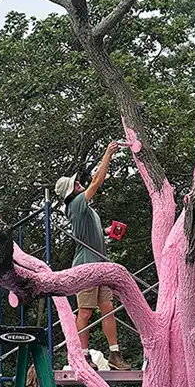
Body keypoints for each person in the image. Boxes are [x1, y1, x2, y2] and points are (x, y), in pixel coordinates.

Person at [54, 141, 130, 371]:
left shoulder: (86, 210)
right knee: (85, 312)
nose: (79, 182)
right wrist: (107, 154)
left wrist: (106, 232)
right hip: (86, 266)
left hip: (100, 264)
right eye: (75, 183)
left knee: (108, 308)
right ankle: (83, 356)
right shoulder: (76, 203)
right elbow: (97, 181)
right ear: (71, 191)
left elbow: (90, 233)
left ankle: (115, 355)